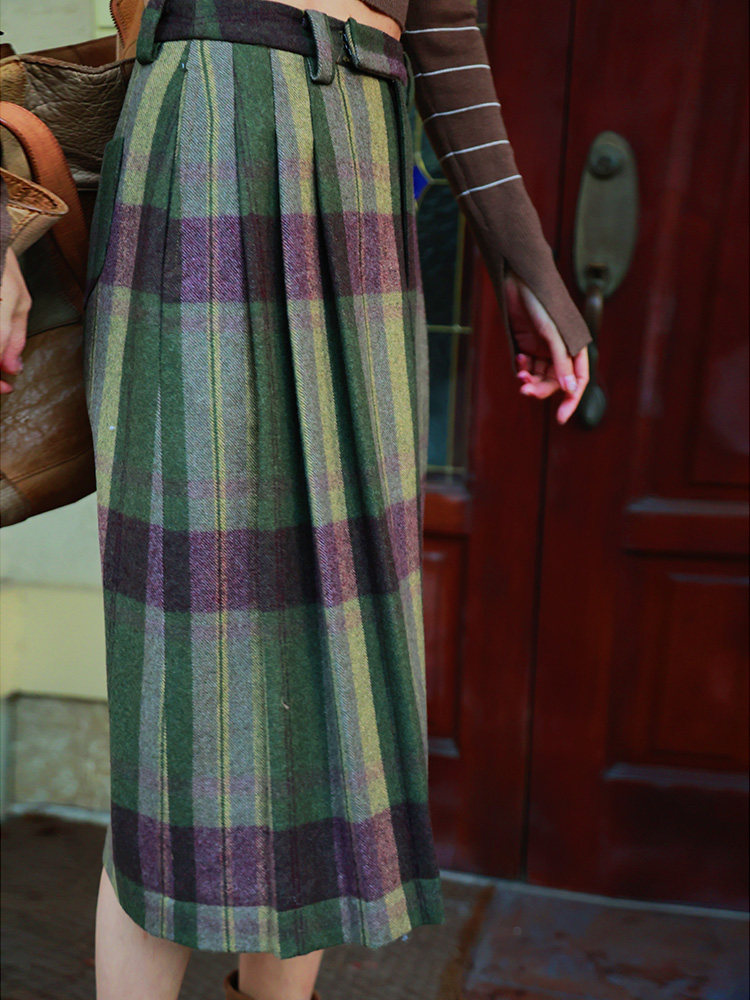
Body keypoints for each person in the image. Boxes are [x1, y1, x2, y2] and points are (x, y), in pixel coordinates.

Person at [0, 0, 590, 998]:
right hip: (205, 131)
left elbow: (445, 31)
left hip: (362, 166)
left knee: (334, 677)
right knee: (186, 690)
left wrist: (527, 263)